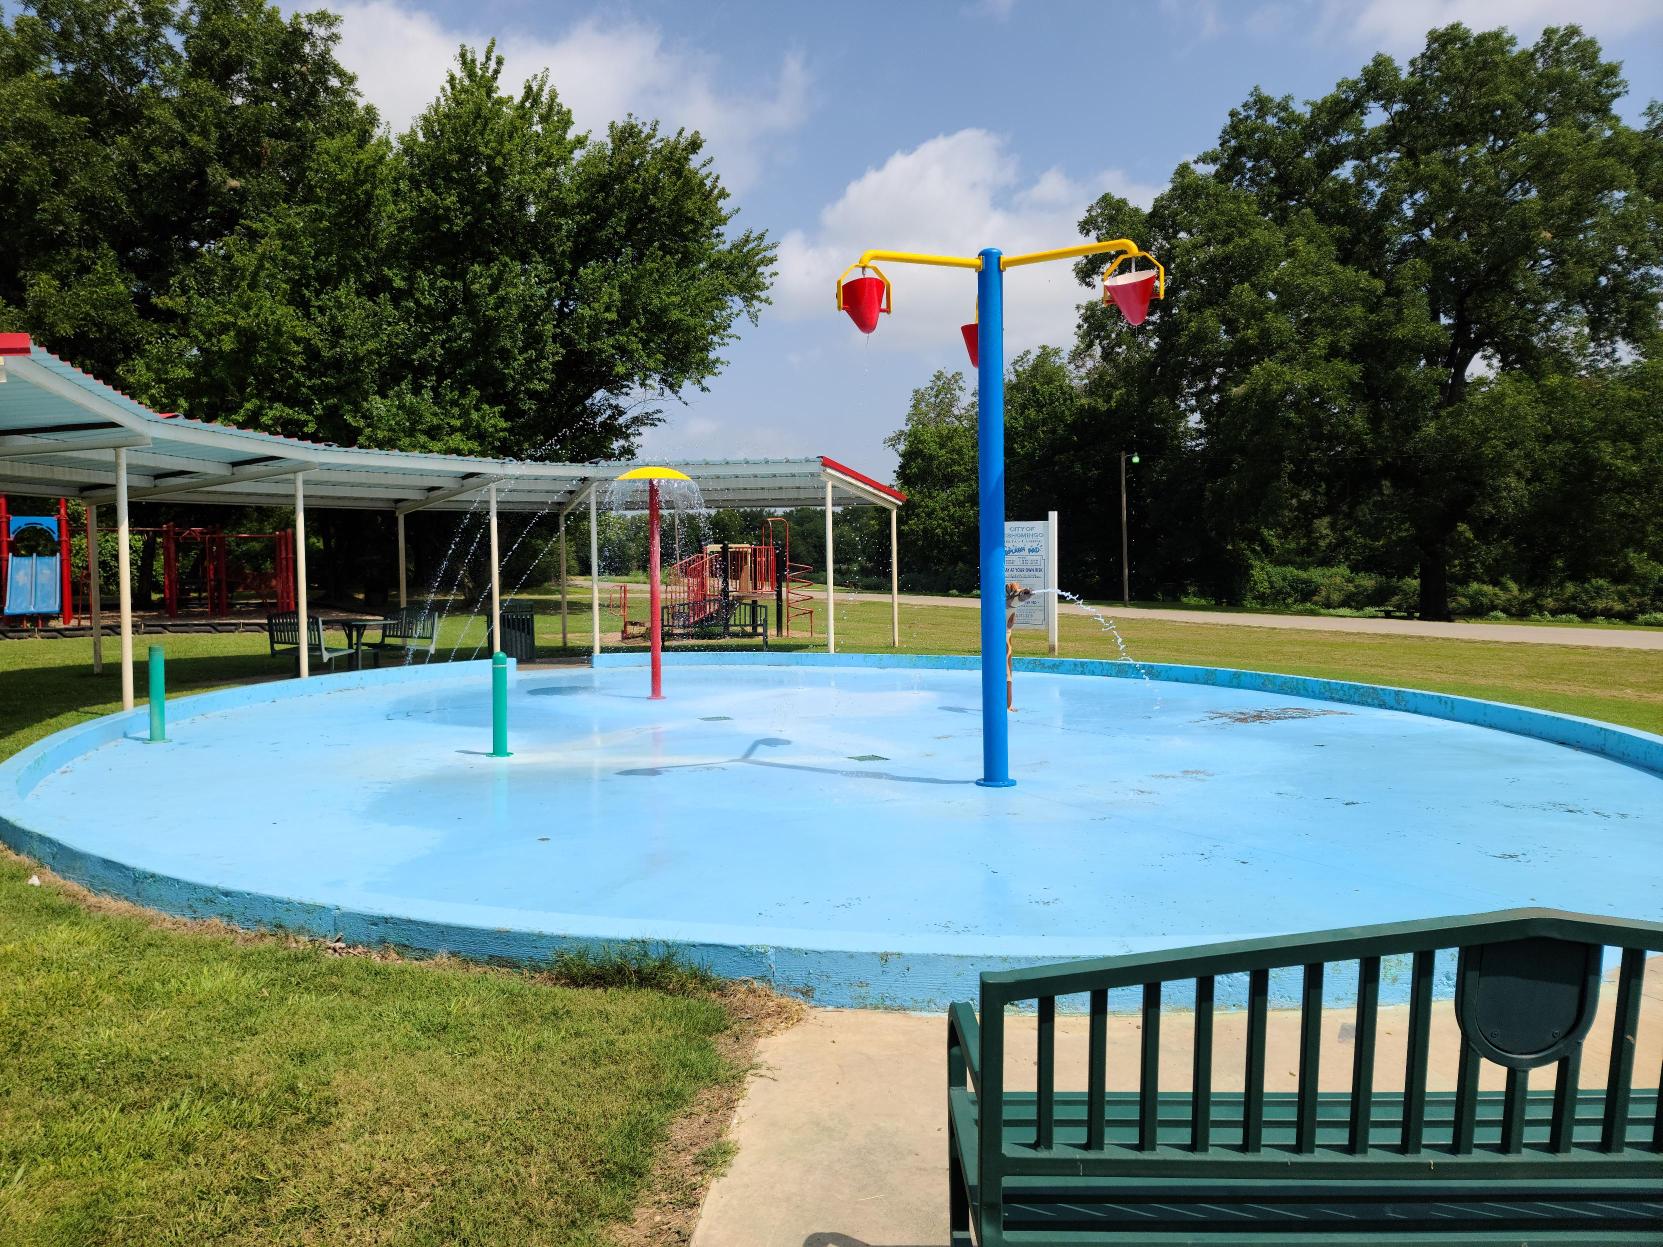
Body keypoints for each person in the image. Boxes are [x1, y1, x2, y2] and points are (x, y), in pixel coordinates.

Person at [1005, 581, 1032, 711]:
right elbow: (1019, 597)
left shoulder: (1009, 603)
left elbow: (1021, 596)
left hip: (1005, 639)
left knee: (1007, 673)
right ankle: (1008, 705)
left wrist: (1025, 592)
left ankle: (1008, 704)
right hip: (1004, 641)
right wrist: (1022, 594)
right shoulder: (1009, 602)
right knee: (1007, 673)